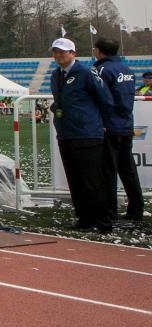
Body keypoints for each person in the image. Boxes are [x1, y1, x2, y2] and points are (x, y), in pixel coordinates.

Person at [49, 37, 115, 232]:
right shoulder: (55, 75)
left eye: (63, 51)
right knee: (75, 179)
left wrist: (102, 124)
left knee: (92, 179)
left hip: (87, 133)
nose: (59, 55)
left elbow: (105, 99)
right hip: (66, 133)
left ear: (73, 53)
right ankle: (84, 218)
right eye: (56, 52)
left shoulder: (86, 72)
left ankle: (103, 221)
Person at [91, 38, 143, 222]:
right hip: (126, 124)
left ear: (98, 51)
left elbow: (102, 98)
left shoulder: (102, 70)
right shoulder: (127, 69)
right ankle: (136, 210)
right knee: (128, 169)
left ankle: (109, 213)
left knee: (108, 171)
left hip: (109, 126)